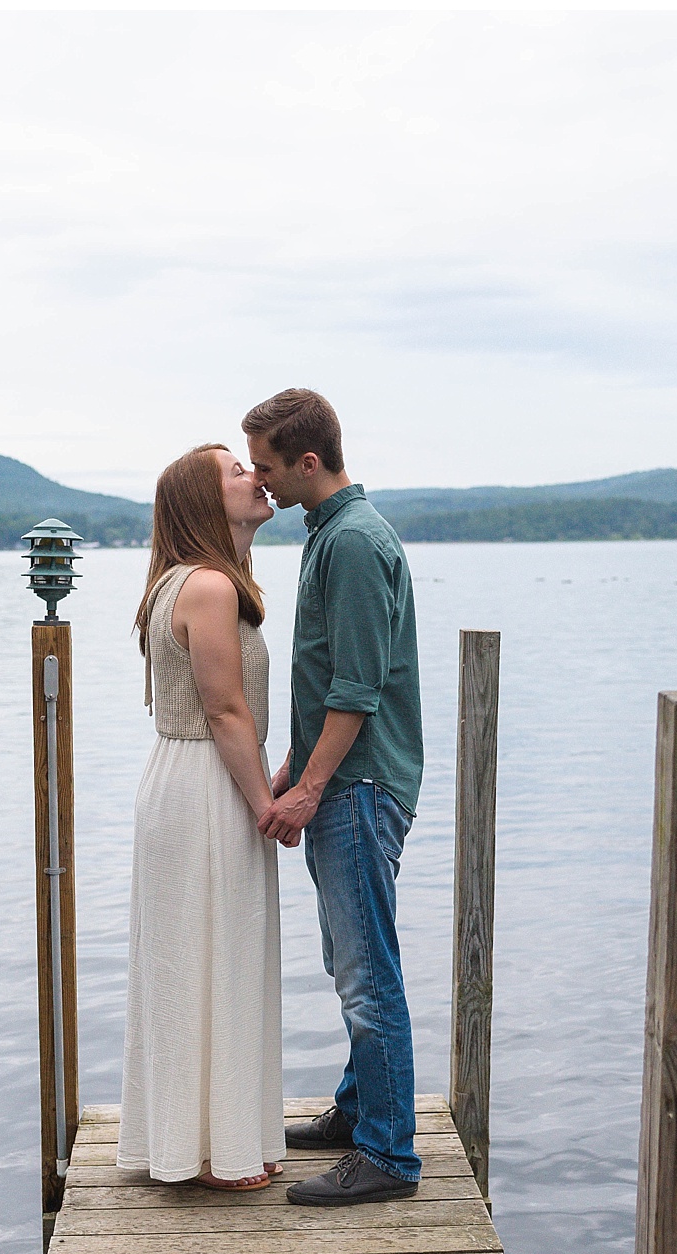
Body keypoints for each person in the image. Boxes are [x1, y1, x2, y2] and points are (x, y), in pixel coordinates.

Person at [247, 389, 425, 1207]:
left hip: (357, 787)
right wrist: (291, 764)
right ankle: (358, 1113)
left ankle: (387, 1156)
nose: (263, 482)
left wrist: (312, 788)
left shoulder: (353, 543)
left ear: (307, 462)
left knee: (366, 973)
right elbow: (327, 683)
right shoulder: (333, 534)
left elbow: (357, 687)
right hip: (342, 779)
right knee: (351, 959)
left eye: (270, 467)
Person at [117, 443, 290, 1191]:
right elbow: (223, 710)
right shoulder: (212, 588)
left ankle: (202, 1140)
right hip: (205, 783)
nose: (256, 476)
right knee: (213, 955)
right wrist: (266, 805)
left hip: (182, 777)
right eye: (236, 472)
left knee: (195, 956)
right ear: (203, 503)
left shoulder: (179, 583)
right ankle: (214, 1153)